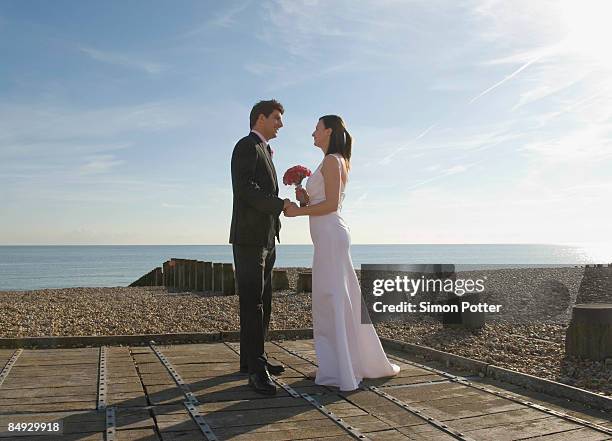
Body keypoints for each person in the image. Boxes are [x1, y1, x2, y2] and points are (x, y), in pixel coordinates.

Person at [284, 115, 400, 391]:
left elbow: (332, 205)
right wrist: (305, 197)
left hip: (332, 235)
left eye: (316, 128)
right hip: (325, 238)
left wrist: (298, 211)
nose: (313, 132)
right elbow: (322, 200)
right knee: (330, 299)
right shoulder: (329, 161)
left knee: (333, 299)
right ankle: (334, 364)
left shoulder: (332, 160)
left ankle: (343, 368)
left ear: (329, 131)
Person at [229, 99, 297, 395]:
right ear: (260, 119)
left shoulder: (265, 150)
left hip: (267, 238)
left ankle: (253, 360)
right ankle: (256, 372)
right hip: (249, 238)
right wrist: (279, 204)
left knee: (264, 301)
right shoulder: (246, 146)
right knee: (252, 303)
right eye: (277, 118)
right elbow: (246, 190)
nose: (280, 124)